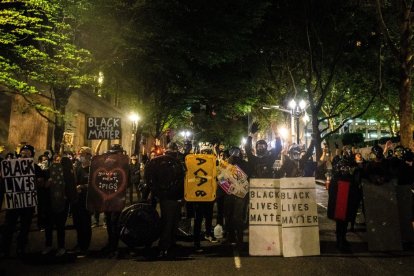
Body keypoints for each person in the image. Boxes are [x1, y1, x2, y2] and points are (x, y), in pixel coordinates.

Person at [0, 145, 46, 258]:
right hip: (15, 202)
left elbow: (41, 183)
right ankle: (5, 249)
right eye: (23, 152)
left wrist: (40, 181)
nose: (24, 154)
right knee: (8, 226)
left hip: (27, 203)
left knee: (25, 227)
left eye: (27, 152)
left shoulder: (36, 168)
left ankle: (21, 248)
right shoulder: (11, 165)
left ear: (31, 155)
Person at [144, 142, 185, 258]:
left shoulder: (157, 162)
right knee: (170, 222)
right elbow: (182, 180)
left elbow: (149, 179)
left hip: (163, 196)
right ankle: (165, 246)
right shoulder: (177, 163)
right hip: (174, 196)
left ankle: (169, 244)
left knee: (169, 221)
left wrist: (155, 193)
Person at [327, 151, 363, 252]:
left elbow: (355, 190)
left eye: (347, 167)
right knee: (340, 224)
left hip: (347, 203)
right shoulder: (336, 179)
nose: (346, 169)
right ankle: (339, 241)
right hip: (340, 204)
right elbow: (332, 193)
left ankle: (343, 238)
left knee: (345, 222)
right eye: (344, 167)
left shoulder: (350, 178)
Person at [42, 154, 76, 257]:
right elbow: (44, 186)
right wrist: (47, 183)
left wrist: (67, 196)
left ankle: (61, 247)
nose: (57, 162)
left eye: (60, 161)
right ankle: (48, 245)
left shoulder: (68, 174)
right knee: (49, 225)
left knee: (60, 226)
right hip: (51, 202)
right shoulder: (49, 172)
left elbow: (71, 188)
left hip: (62, 203)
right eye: (56, 160)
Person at [224, 146, 251, 248]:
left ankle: (237, 238)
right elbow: (222, 178)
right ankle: (234, 237)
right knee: (232, 215)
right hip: (233, 194)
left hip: (237, 194)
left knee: (235, 216)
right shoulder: (227, 164)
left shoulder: (243, 164)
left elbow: (247, 178)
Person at [71, 146, 93, 255]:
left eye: (83, 153)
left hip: (86, 199)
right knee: (78, 222)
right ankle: (79, 243)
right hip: (77, 199)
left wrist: (82, 187)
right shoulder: (78, 166)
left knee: (85, 222)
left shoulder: (92, 168)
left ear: (88, 155)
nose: (80, 155)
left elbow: (94, 184)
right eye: (79, 153)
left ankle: (85, 245)